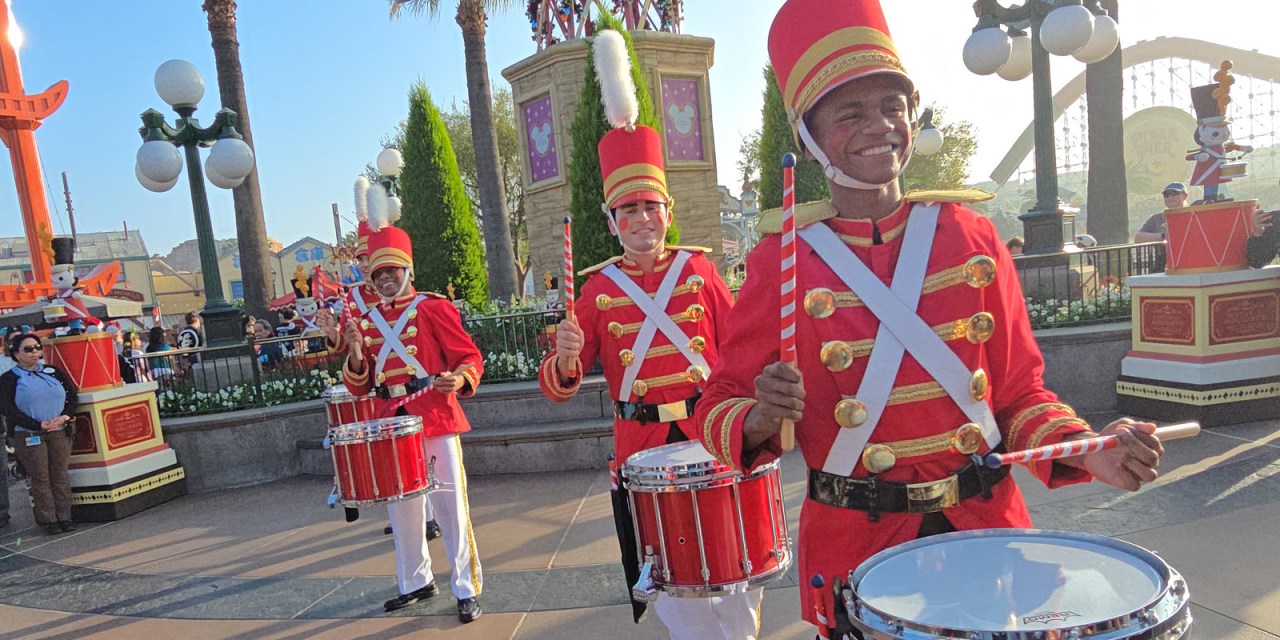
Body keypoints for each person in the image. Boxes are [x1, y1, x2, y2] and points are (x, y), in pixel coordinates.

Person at [696, 1, 1166, 636]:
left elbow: (1020, 395)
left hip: (986, 532)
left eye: (894, 107)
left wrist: (1091, 451)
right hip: (859, 549)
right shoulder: (780, 265)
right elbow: (717, 402)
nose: (880, 126)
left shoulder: (970, 237)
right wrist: (756, 415)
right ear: (809, 141)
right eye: (851, 113)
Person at [537, 28, 759, 640]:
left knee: (733, 568)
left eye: (650, 207)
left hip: (710, 431)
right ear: (611, 223)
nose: (641, 220)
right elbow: (563, 382)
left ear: (668, 211)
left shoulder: (700, 270)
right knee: (671, 578)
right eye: (627, 211)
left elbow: (740, 347)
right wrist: (564, 358)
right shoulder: (598, 289)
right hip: (641, 442)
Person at [341, 188, 485, 622]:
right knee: (402, 509)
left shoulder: (432, 309)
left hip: (435, 415)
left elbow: (470, 357)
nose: (385, 279)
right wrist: (351, 353)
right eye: (379, 273)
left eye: (392, 272)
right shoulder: (364, 322)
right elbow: (359, 386)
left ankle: (465, 586)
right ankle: (416, 581)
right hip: (391, 421)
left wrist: (458, 378)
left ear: (408, 270)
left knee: (449, 506)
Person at [317, 178, 443, 541]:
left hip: (416, 390)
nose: (364, 265)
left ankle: (430, 517)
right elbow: (350, 346)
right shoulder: (353, 298)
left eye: (368, 258)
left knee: (426, 460)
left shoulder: (402, 294)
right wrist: (334, 336)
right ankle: (405, 518)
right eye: (361, 260)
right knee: (393, 462)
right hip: (378, 391)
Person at [0, 332, 79, 536]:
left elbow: (72, 394)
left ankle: (65, 516)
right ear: (16, 353)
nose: (34, 352)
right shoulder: (9, 379)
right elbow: (8, 409)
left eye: (37, 347)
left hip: (59, 429)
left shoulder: (53, 371)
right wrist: (37, 424)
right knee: (40, 477)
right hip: (28, 433)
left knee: (60, 475)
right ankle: (49, 519)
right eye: (28, 349)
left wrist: (65, 417)